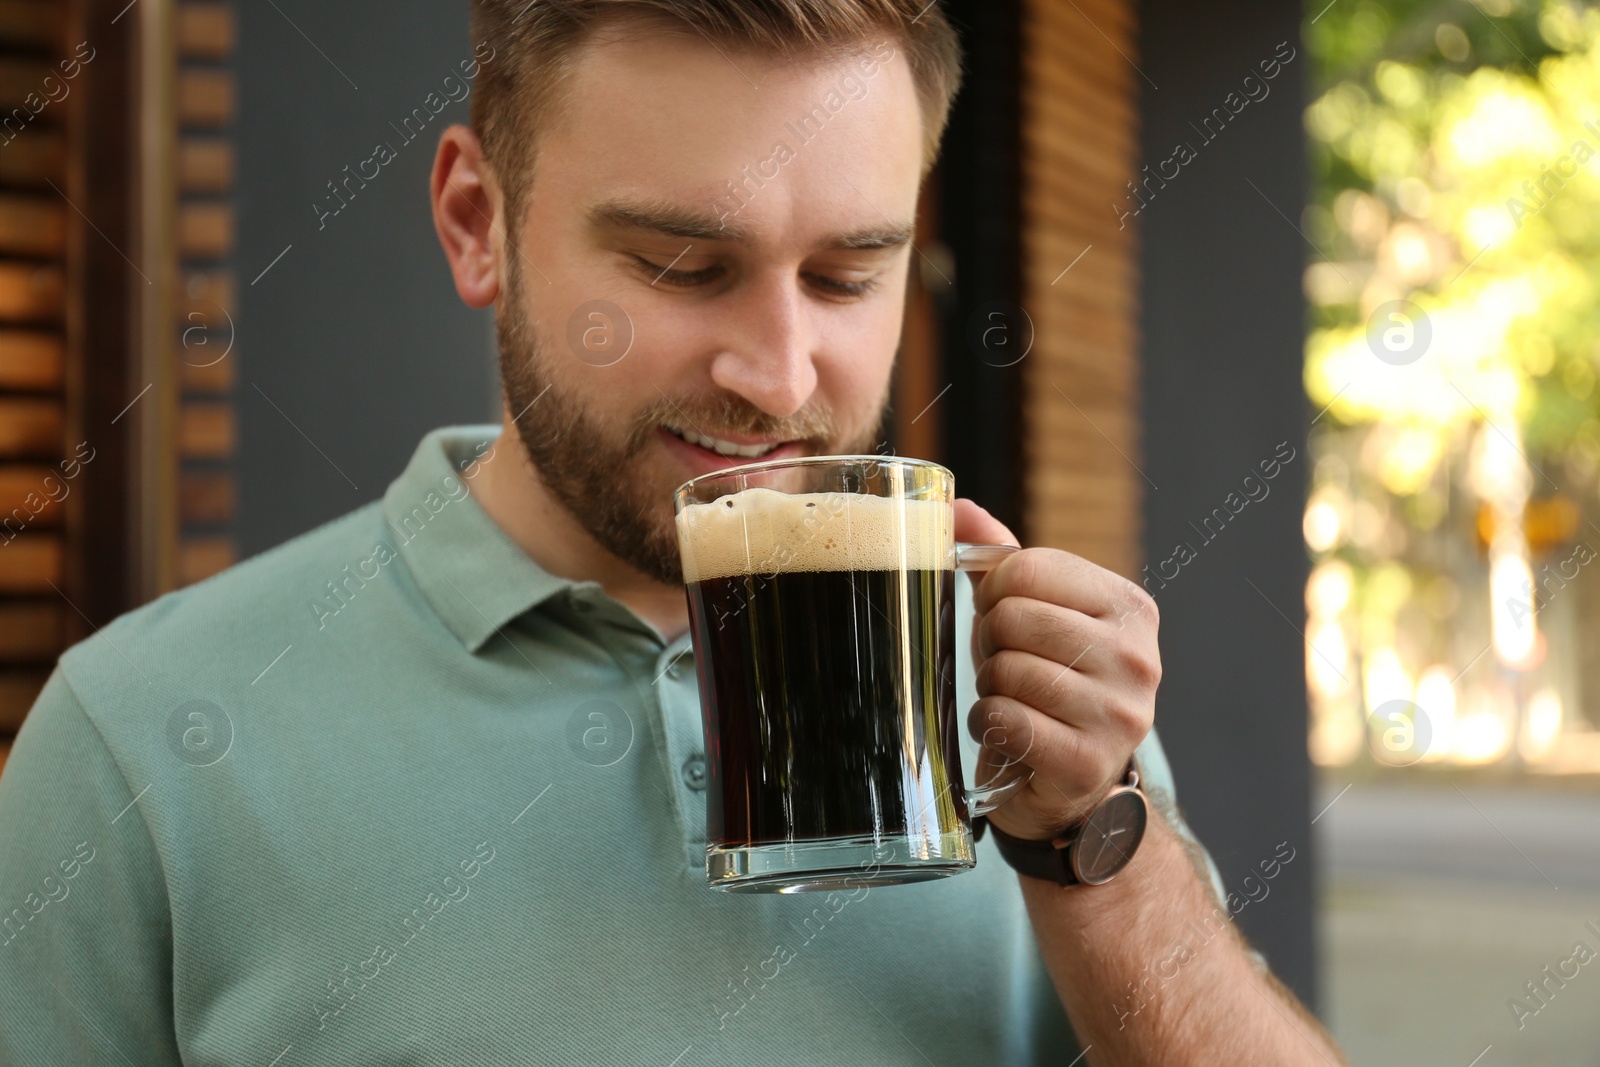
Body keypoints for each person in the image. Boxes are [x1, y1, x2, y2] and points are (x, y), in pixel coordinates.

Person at [0, 1, 1345, 1063]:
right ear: (480, 225)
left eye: (847, 273)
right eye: (680, 267)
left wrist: (1096, 858)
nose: (777, 371)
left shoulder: (1017, 697)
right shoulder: (143, 737)